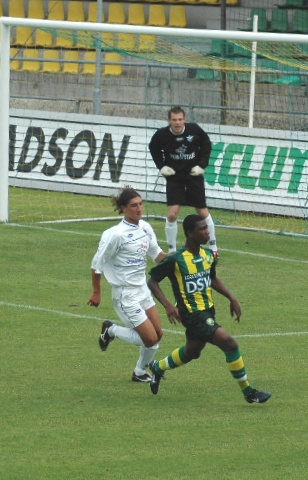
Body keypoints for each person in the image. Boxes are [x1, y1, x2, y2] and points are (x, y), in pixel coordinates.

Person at [146, 214, 271, 404]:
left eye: (207, 228)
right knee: (229, 343)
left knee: (192, 352)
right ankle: (249, 392)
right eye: (203, 229)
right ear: (190, 233)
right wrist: (168, 305)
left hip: (208, 310)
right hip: (192, 314)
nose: (208, 232)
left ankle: (158, 367)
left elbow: (211, 279)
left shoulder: (206, 255)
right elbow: (152, 280)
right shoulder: (177, 259)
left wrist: (231, 297)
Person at [88, 186, 167, 383]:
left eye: (140, 204)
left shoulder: (146, 227)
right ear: (123, 208)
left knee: (158, 335)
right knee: (149, 339)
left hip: (143, 290)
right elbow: (96, 264)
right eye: (134, 205)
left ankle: (139, 372)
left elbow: (158, 256)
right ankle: (111, 330)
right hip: (125, 295)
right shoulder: (115, 235)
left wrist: (183, 257)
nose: (139, 209)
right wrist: (96, 292)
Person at [148, 106, 219, 258]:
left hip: (194, 175)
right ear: (169, 121)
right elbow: (153, 148)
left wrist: (201, 165)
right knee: (172, 214)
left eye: (180, 119)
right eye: (174, 120)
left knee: (202, 211)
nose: (178, 123)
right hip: (174, 177)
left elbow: (206, 144)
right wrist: (162, 166)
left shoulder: (194, 130)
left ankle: (213, 246)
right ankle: (172, 250)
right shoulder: (161, 135)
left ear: (184, 119)